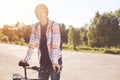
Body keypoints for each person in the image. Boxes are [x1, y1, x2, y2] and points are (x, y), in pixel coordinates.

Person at [19, 3, 62, 80]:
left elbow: (55, 46)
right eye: (38, 12)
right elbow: (32, 44)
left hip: (55, 59)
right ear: (36, 15)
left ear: (46, 13)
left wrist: (55, 62)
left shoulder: (54, 25)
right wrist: (26, 60)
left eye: (43, 11)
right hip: (43, 60)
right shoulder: (35, 26)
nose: (41, 14)